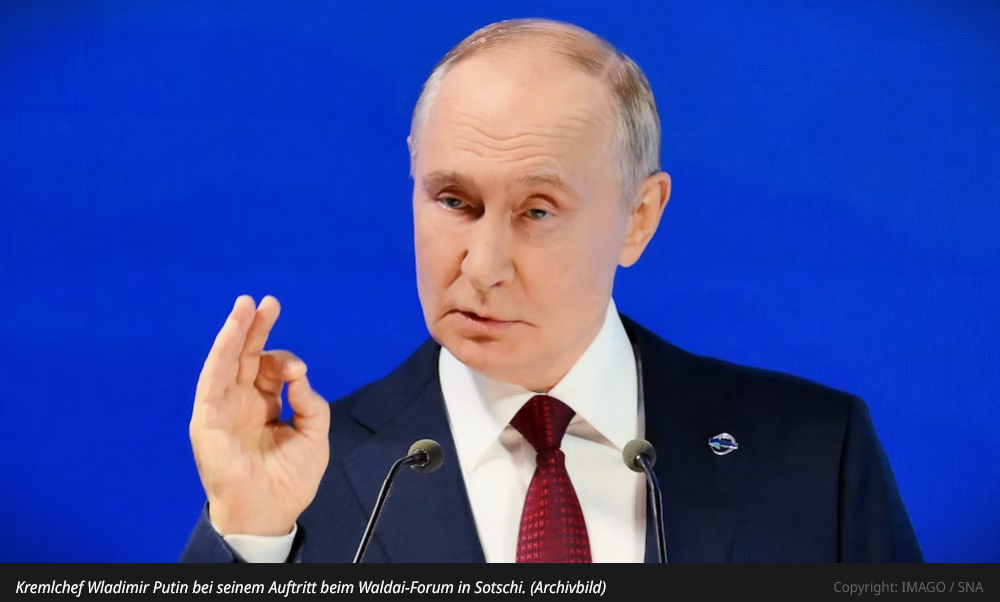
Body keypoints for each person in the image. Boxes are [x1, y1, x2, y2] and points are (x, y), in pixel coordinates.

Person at [181, 18, 922, 563]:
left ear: (639, 218)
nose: (482, 267)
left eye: (537, 212)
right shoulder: (304, 480)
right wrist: (248, 535)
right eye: (453, 201)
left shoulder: (816, 454)